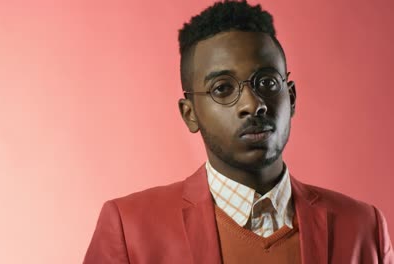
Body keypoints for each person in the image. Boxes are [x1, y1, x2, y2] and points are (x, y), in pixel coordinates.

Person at [84, 1, 393, 263]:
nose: (252, 104)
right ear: (189, 114)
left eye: (268, 83)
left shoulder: (364, 228)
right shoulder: (130, 228)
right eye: (222, 89)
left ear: (292, 98)